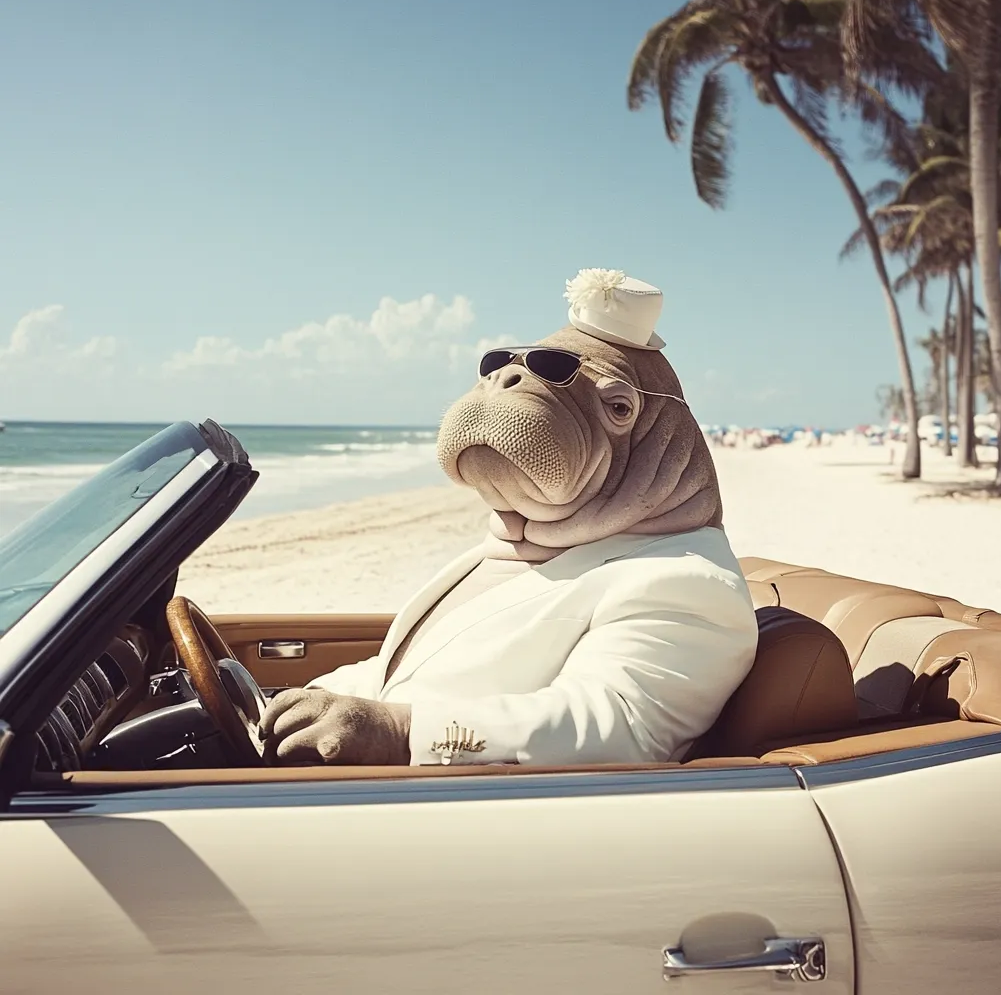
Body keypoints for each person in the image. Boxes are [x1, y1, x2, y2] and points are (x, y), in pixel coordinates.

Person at [259, 268, 758, 767]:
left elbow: (615, 724)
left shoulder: (687, 581)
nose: (504, 379)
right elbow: (412, 672)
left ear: (665, 441)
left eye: (616, 406)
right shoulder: (528, 544)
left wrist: (401, 731)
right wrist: (295, 701)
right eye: (502, 367)